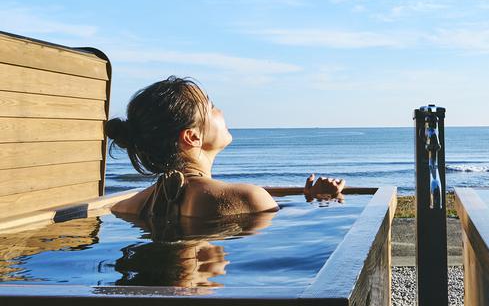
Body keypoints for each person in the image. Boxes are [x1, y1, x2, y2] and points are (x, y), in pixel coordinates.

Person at [106, 76, 345, 220]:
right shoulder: (249, 198)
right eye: (212, 107)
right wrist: (321, 200)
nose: (220, 112)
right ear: (192, 137)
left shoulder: (125, 208)